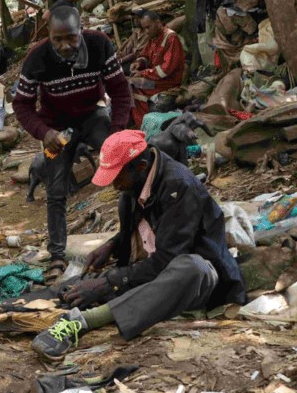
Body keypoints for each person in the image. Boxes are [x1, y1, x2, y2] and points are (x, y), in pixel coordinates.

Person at [30, 130, 247, 360]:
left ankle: (83, 321)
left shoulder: (179, 187)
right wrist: (112, 245)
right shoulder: (134, 186)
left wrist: (109, 282)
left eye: (117, 177)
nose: (114, 185)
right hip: (156, 272)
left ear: (141, 166)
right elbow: (148, 232)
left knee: (192, 267)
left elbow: (166, 261)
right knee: (84, 285)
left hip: (200, 282)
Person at [13, 5, 133, 286]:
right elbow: (22, 104)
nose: (65, 45)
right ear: (49, 36)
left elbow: (119, 90)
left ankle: (127, 239)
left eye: (71, 38)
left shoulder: (100, 45)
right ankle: (57, 255)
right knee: (55, 188)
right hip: (57, 127)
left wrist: (116, 133)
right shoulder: (36, 59)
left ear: (81, 31)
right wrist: (44, 133)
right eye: (58, 39)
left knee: (123, 168)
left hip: (93, 115)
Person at [129, 11, 186, 128]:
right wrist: (139, 63)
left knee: (132, 85)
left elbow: (165, 69)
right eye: (144, 28)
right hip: (156, 80)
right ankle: (140, 123)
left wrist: (142, 73)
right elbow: (145, 56)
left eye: (148, 27)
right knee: (129, 84)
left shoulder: (171, 38)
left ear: (158, 23)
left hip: (167, 83)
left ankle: (144, 125)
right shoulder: (153, 38)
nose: (146, 31)